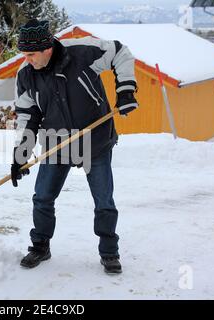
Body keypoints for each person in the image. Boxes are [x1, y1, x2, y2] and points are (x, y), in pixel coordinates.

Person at [11, 19, 138, 274]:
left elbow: (121, 52)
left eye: (31, 54)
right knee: (43, 197)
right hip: (57, 143)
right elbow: (27, 115)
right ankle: (40, 246)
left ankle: (109, 252)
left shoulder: (81, 53)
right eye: (24, 55)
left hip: (96, 140)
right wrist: (21, 154)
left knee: (104, 201)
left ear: (47, 49)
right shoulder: (26, 76)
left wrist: (125, 90)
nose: (27, 60)